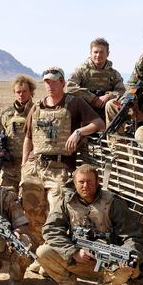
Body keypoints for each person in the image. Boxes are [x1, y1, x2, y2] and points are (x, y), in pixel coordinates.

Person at [36, 164, 143, 285]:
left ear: (97, 182)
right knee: (43, 252)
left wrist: (127, 256)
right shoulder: (67, 202)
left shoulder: (112, 203)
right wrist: (73, 252)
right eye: (81, 182)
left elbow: (132, 236)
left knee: (128, 267)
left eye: (89, 182)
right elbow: (51, 229)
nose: (85, 186)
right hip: (78, 258)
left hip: (108, 262)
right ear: (75, 183)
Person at [20, 67, 104, 243]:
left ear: (62, 83)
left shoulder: (74, 103)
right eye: (46, 82)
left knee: (56, 214)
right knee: (32, 212)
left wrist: (79, 132)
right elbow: (28, 138)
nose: (50, 86)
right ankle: (38, 251)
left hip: (60, 169)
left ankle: (54, 251)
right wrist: (23, 166)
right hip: (36, 168)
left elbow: (99, 123)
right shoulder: (36, 107)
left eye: (54, 81)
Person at [0, 75, 36, 192]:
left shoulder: (38, 112)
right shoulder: (7, 114)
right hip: (9, 167)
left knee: (30, 200)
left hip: (30, 165)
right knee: (7, 198)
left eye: (24, 91)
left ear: (31, 92)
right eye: (18, 92)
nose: (21, 94)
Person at [66, 38, 125, 119]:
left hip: (106, 109)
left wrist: (108, 96)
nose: (98, 55)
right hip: (85, 109)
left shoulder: (114, 73)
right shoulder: (81, 70)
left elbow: (121, 90)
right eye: (95, 52)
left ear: (107, 53)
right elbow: (70, 87)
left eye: (101, 52)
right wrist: (92, 99)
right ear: (90, 53)